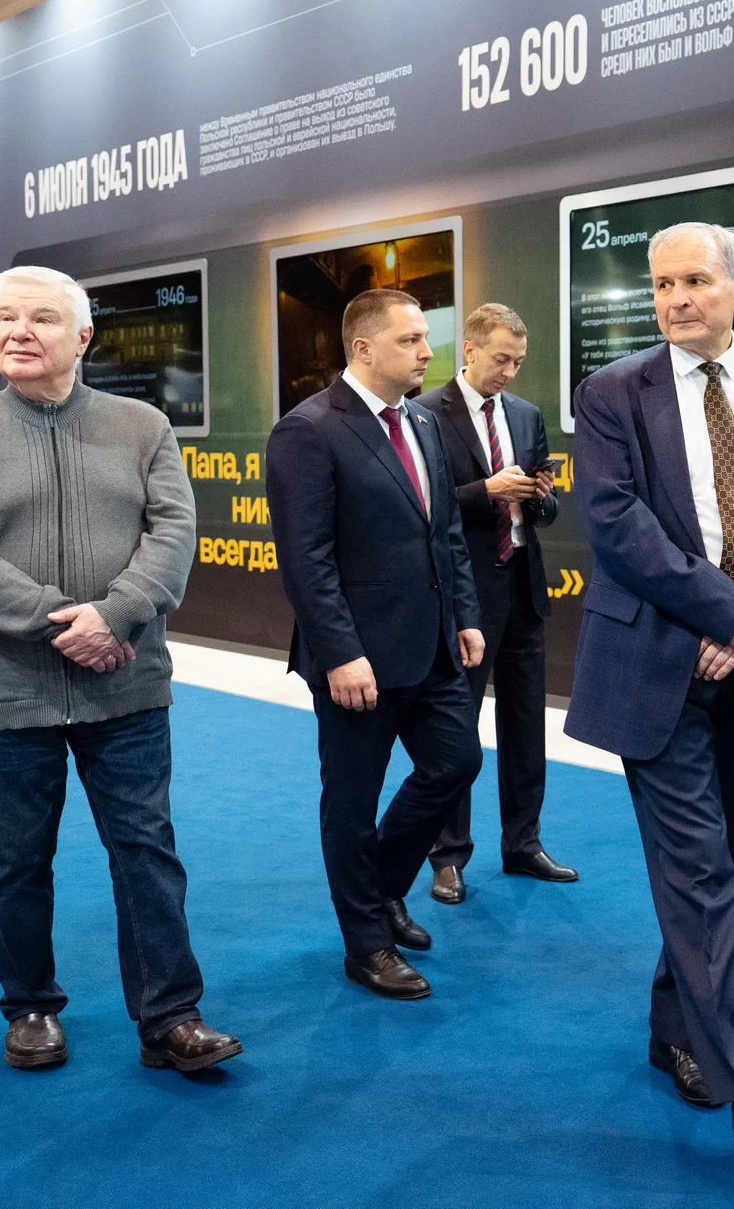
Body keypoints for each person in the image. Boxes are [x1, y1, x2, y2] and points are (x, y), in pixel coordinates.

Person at [0, 265, 241, 1072]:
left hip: (127, 681)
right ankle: (30, 1005)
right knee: (15, 861)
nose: (18, 331)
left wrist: (116, 613)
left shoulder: (143, 426)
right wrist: (65, 620)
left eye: (40, 318)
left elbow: (173, 532)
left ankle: (170, 1015)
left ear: (84, 335)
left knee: (146, 852)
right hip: (8, 688)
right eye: (5, 317)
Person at [567, 222, 734, 1159]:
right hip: (655, 668)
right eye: (661, 285)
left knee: (728, 867)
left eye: (694, 280)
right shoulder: (612, 393)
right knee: (700, 872)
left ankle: (675, 1027)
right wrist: (727, 613)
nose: (676, 299)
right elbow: (618, 528)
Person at [265, 287, 486, 1001]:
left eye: (425, 337)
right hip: (355, 657)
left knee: (457, 762)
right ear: (362, 347)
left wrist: (465, 614)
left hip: (433, 644)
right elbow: (306, 560)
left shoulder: (422, 422)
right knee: (352, 802)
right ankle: (366, 943)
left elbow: (445, 531)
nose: (428, 351)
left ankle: (382, 887)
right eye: (411, 339)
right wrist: (339, 652)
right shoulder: (308, 430)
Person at [416, 303, 577, 904]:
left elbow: (546, 510)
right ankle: (448, 856)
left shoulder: (526, 415)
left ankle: (523, 843)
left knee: (526, 725)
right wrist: (487, 491)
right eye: (501, 358)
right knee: (456, 731)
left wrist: (538, 497)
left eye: (518, 362)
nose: (509, 371)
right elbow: (423, 506)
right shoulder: (426, 414)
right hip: (465, 596)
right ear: (470, 350)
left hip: (523, 591)